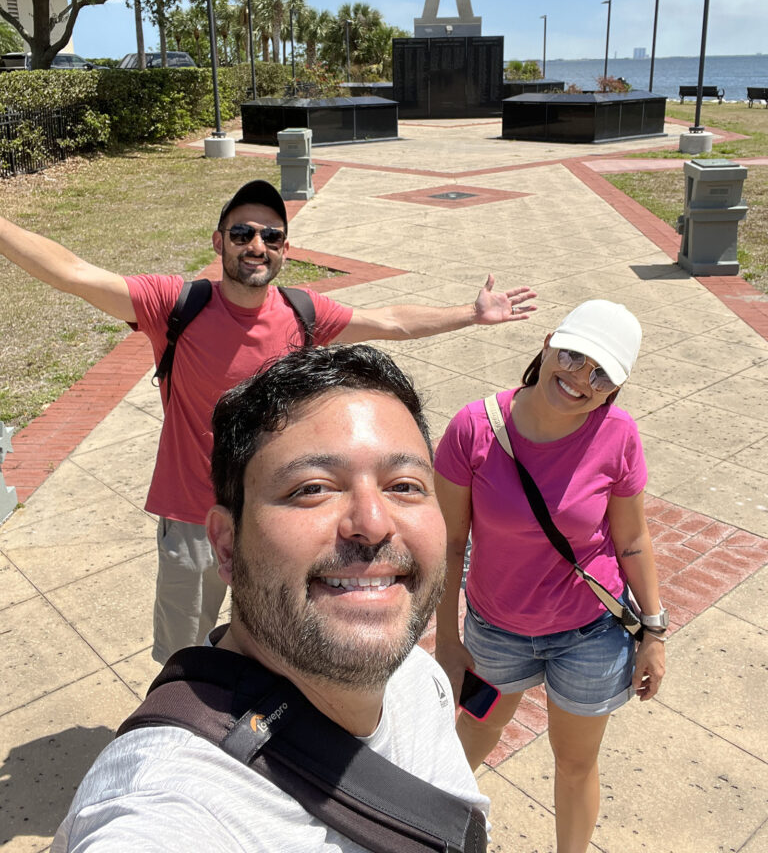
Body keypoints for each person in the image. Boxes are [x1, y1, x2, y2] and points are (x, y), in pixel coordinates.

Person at [0, 179, 536, 662]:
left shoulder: (302, 312)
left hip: (281, 514)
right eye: (243, 233)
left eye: (271, 236)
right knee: (185, 652)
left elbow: (391, 321)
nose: (257, 245)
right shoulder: (174, 304)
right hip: (195, 514)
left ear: (284, 250)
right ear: (219, 242)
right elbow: (70, 272)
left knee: (283, 638)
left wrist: (470, 314)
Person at [52, 344, 489, 852]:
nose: (372, 524)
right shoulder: (164, 803)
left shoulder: (418, 676)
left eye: (406, 485)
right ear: (226, 544)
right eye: (313, 489)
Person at [433, 300, 666, 853]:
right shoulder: (475, 428)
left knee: (576, 762)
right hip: (495, 633)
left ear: (616, 387)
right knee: (472, 736)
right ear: (546, 343)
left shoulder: (618, 434)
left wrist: (654, 633)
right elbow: (446, 544)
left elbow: (632, 540)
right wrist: (446, 638)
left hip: (591, 634)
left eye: (601, 373)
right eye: (574, 355)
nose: (581, 378)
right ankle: (427, 835)